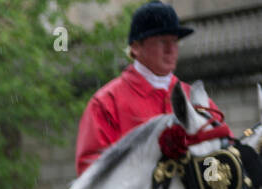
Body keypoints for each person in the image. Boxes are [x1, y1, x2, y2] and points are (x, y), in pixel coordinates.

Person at [75, 2, 226, 175]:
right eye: (162, 41)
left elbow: (222, 157)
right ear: (136, 47)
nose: (171, 49)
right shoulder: (105, 103)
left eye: (175, 41)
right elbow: (92, 173)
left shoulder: (197, 99)